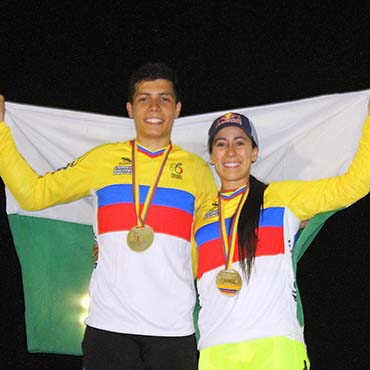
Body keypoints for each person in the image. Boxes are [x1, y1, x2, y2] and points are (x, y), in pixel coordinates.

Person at [0, 62, 217, 370]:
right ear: (130, 108)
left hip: (174, 329)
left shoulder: (197, 170)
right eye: (144, 98)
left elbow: (215, 240)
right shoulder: (102, 161)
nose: (154, 106)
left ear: (177, 108)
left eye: (164, 98)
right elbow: (34, 194)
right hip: (109, 329)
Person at [193, 107, 370, 370]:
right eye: (221, 144)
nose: (231, 151)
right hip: (216, 352)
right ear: (211, 156)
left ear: (254, 153)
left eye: (240, 143)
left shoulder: (282, 198)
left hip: (277, 347)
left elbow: (354, 185)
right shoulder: (197, 216)